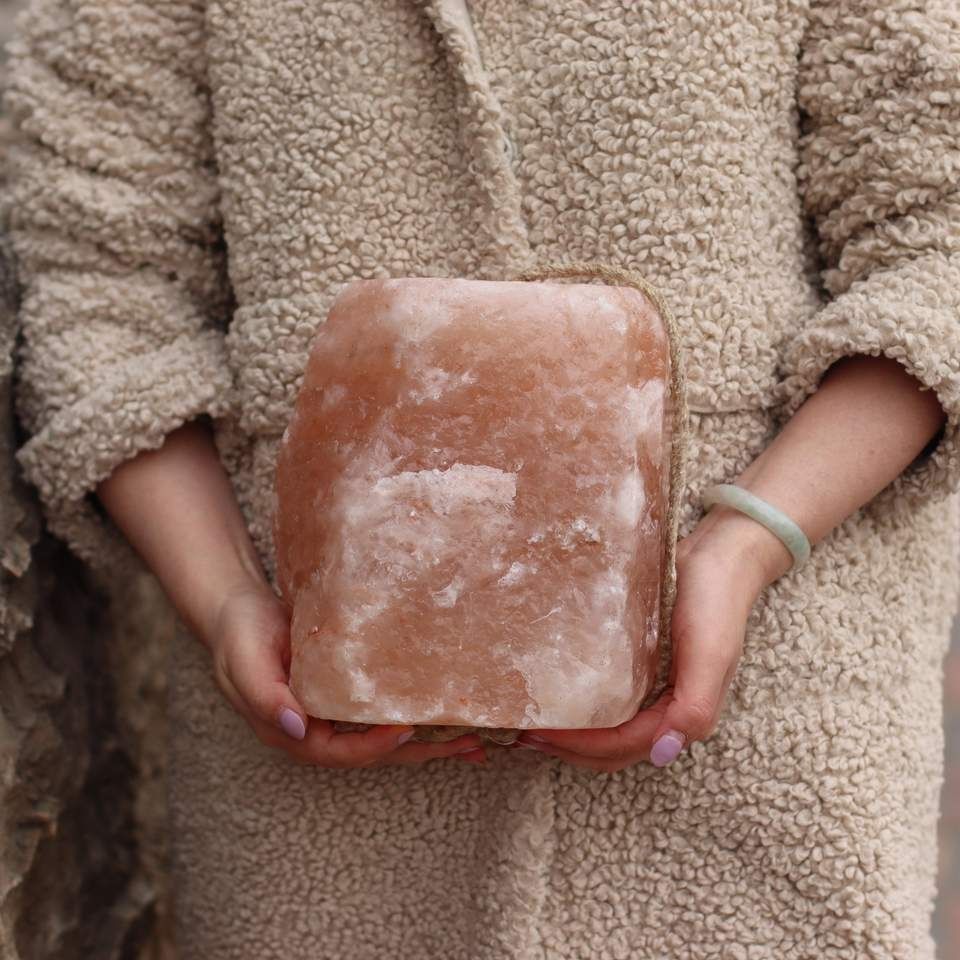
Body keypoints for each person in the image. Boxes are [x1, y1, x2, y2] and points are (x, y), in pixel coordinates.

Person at [5, 0, 960, 956]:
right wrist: (224, 598)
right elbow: (105, 289)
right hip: (322, 790)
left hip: (769, 730)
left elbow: (937, 250)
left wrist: (747, 543)